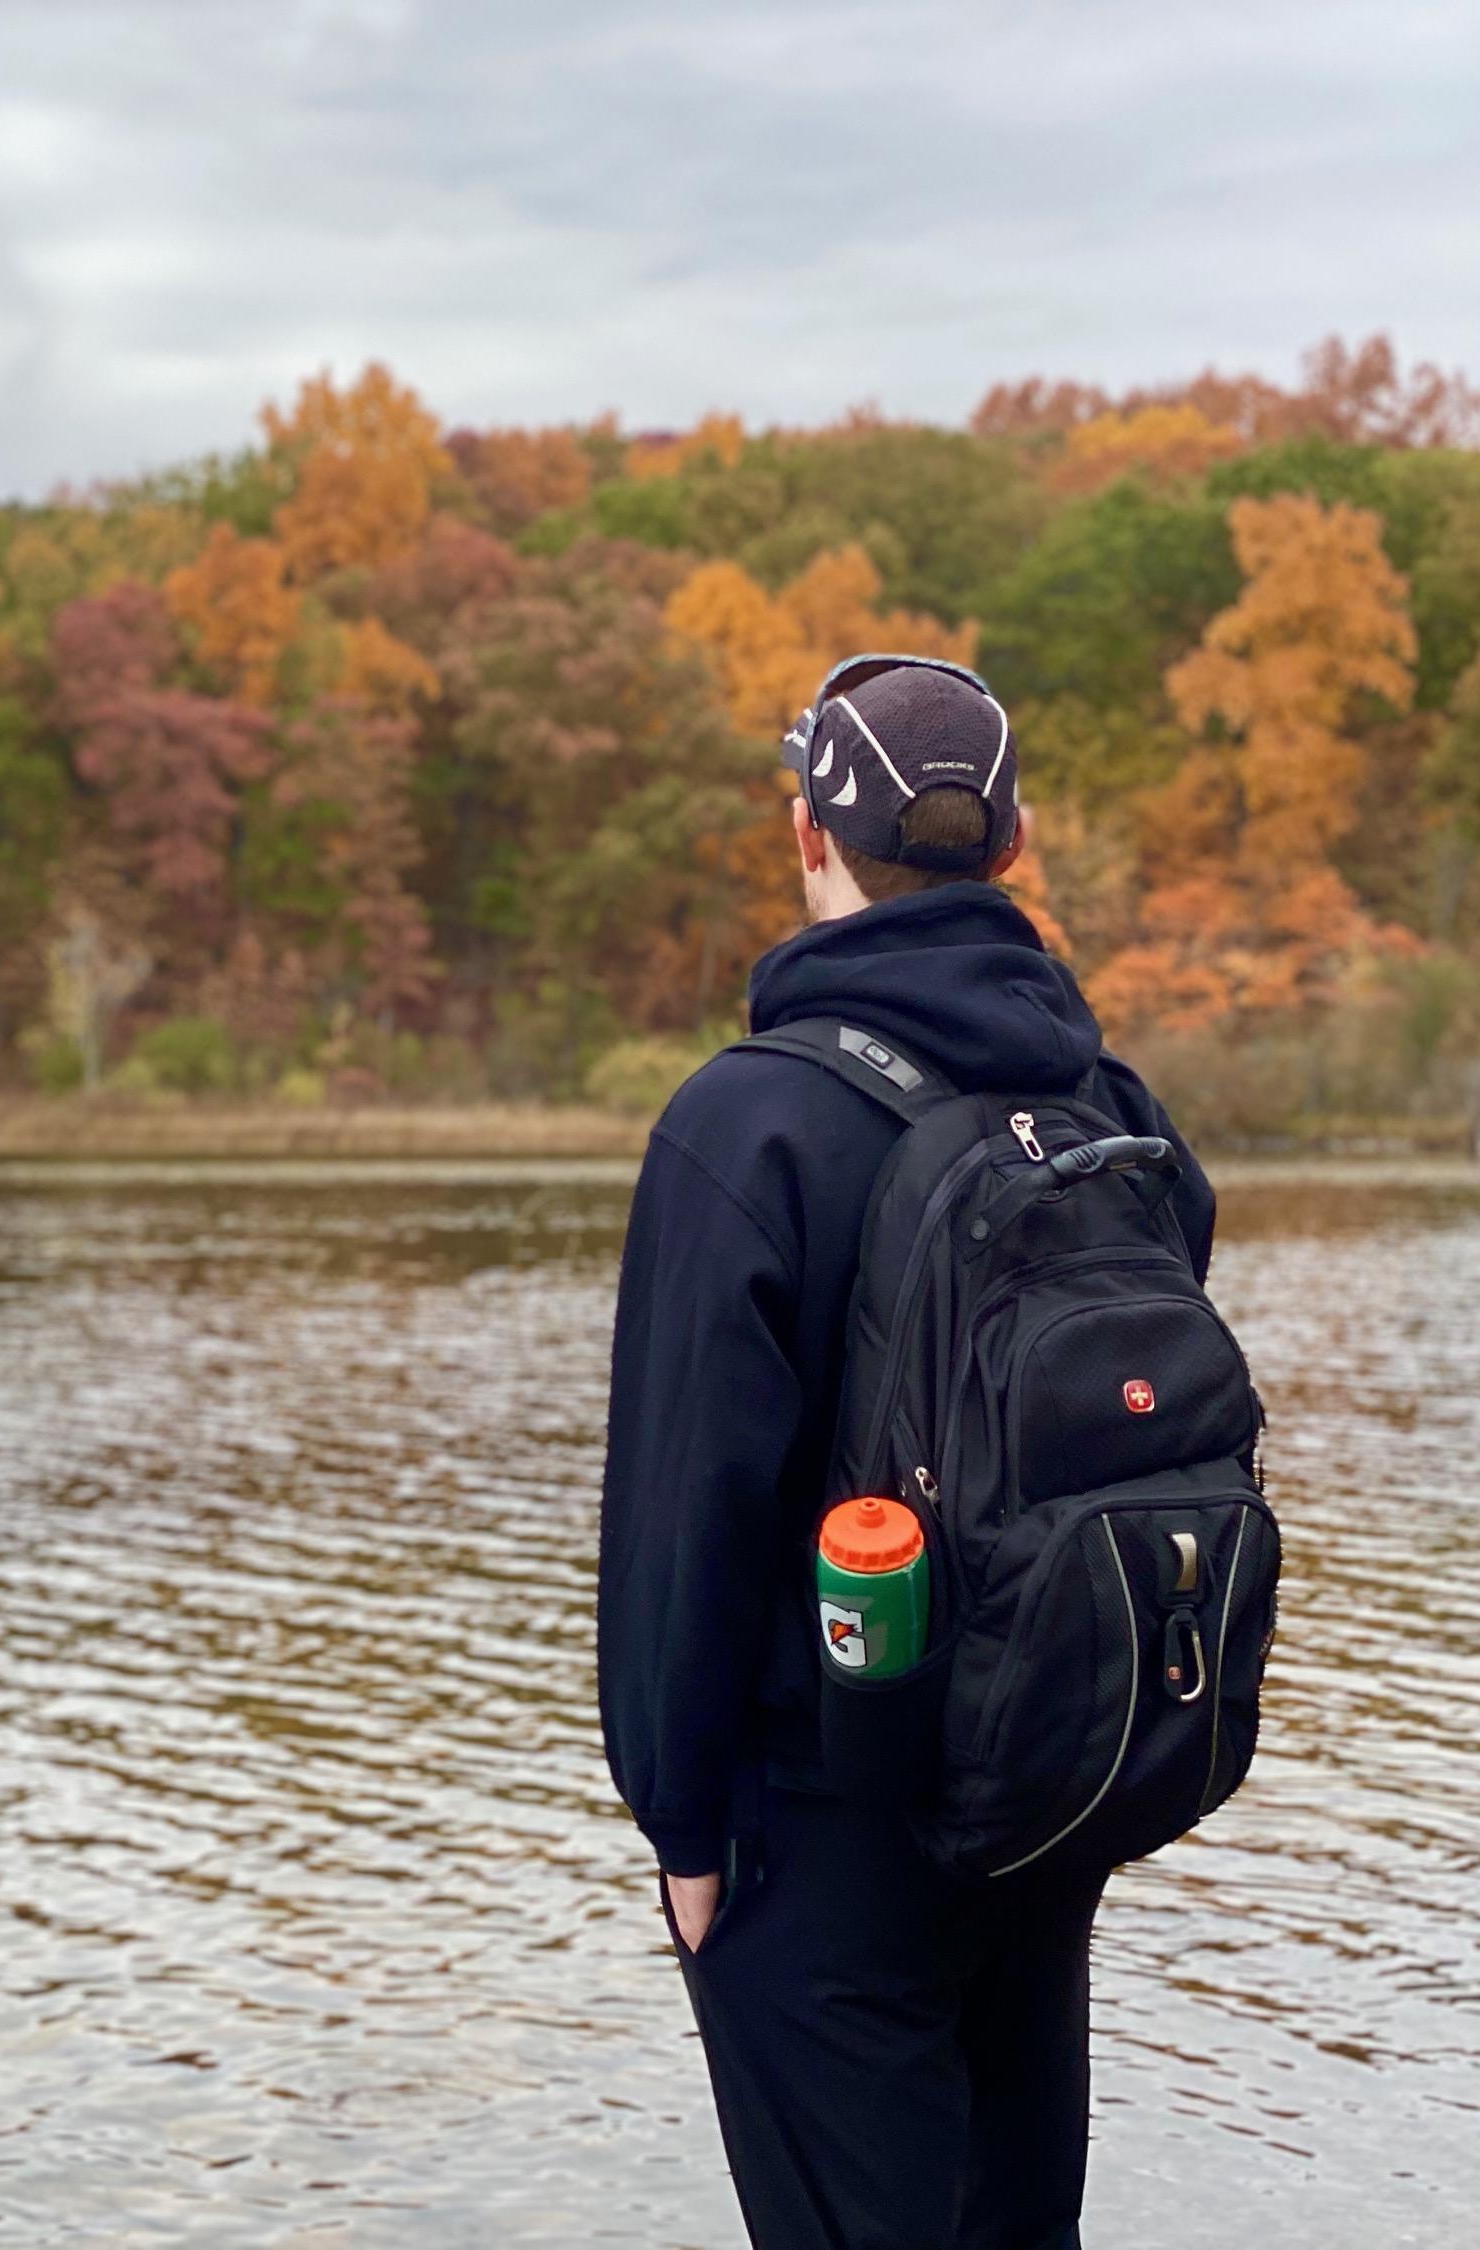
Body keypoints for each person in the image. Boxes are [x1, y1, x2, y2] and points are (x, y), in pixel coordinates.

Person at [595, 656, 1214, 2249]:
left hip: (824, 1832)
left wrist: (681, 1833)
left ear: (807, 827)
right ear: (1011, 845)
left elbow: (685, 1523)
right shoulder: (1110, 1105)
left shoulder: (745, 1124)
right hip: (1046, 1788)